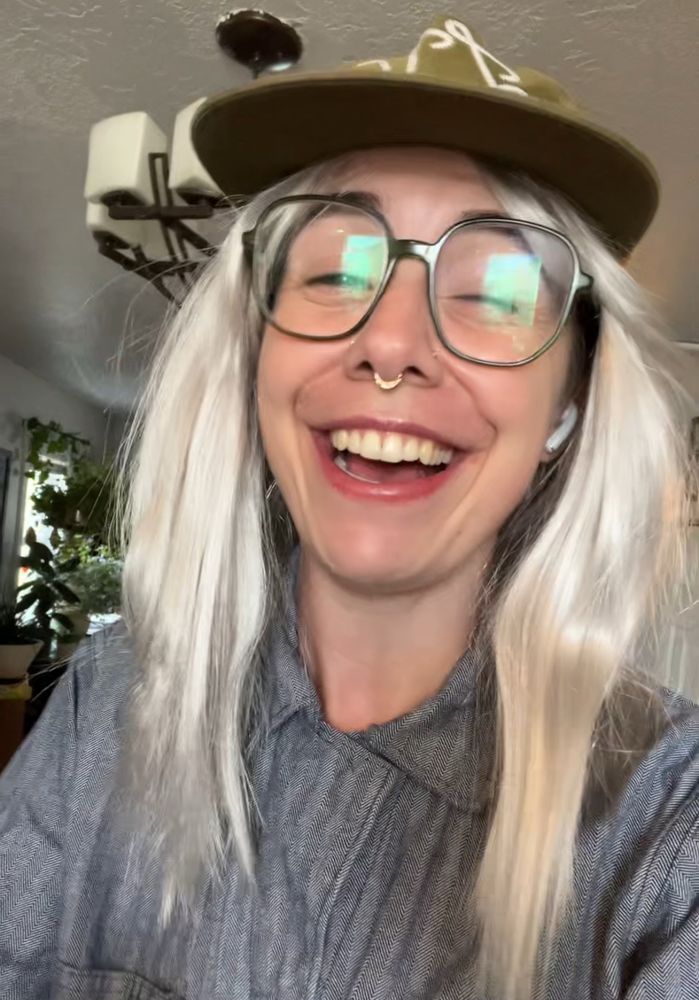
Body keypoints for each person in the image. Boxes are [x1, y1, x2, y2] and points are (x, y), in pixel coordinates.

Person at [1, 15, 697, 1000]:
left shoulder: (669, 829)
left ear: (568, 409)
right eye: (334, 271)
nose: (391, 341)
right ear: (253, 353)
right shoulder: (102, 710)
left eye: (498, 288)